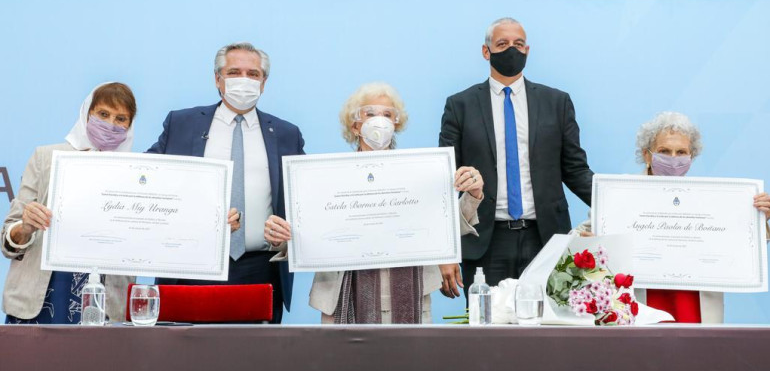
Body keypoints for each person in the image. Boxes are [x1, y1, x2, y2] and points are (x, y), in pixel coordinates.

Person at [265, 82, 484, 323]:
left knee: (409, 361)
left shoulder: (420, 173)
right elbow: (307, 235)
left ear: (396, 123)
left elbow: (447, 228)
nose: (379, 121)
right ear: (355, 125)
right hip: (341, 300)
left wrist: (473, 194)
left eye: (387, 114)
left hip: (413, 298)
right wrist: (281, 238)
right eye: (370, 114)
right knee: (346, 362)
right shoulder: (325, 178)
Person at [147, 42, 304, 323]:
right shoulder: (182, 124)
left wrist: (288, 232)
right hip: (192, 267)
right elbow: (147, 181)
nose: (244, 80)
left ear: (264, 83)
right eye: (234, 72)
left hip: (261, 270)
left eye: (253, 74)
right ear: (218, 79)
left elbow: (305, 200)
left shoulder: (285, 134)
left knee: (254, 360)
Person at [439, 17, 594, 295]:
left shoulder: (556, 103)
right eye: (502, 43)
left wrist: (616, 206)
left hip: (547, 239)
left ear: (527, 50)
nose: (511, 49)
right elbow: (446, 181)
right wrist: (443, 250)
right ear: (486, 51)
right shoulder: (460, 106)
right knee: (488, 332)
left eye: (518, 44)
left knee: (550, 331)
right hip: (485, 240)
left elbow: (576, 170)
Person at [575, 111, 770, 323]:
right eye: (664, 151)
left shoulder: (711, 199)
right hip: (638, 302)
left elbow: (737, 243)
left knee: (697, 355)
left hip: (694, 304)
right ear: (647, 155)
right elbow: (578, 237)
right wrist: (589, 242)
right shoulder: (619, 193)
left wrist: (761, 220)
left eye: (681, 152)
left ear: (691, 157)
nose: (673, 159)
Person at [1, 82, 137, 324]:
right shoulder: (46, 158)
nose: (110, 125)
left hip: (107, 302)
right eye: (103, 114)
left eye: (121, 118)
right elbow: (8, 241)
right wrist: (25, 226)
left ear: (130, 126)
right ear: (87, 113)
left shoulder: (138, 174)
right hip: (44, 295)